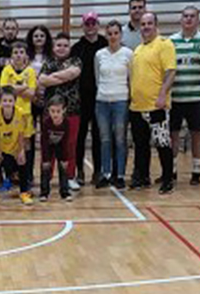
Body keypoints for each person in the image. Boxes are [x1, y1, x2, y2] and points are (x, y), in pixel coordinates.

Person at [129, 13, 176, 194]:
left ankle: (167, 179)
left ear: (156, 25)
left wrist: (163, 94)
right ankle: (143, 177)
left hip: (156, 106)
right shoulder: (138, 49)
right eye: (143, 24)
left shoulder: (164, 44)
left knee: (162, 143)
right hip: (137, 107)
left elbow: (171, 72)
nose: (146, 27)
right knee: (141, 146)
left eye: (149, 23)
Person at [169, 6, 200, 186]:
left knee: (196, 134)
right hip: (175, 97)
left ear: (198, 19)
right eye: (185, 16)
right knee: (173, 134)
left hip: (196, 98)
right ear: (180, 19)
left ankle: (196, 171)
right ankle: (172, 170)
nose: (188, 19)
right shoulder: (171, 42)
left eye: (192, 16)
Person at [38, 32, 82, 189]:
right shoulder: (48, 61)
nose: (62, 48)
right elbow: (42, 80)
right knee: (48, 146)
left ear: (69, 47)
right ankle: (47, 177)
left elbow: (73, 73)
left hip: (71, 110)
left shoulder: (75, 60)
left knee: (70, 145)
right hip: (50, 112)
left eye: (65, 45)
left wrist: (52, 77)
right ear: (53, 47)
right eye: (59, 45)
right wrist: (63, 77)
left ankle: (69, 177)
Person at [70, 11, 108, 187]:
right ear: (83, 26)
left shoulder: (105, 44)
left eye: (93, 23)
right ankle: (80, 171)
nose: (90, 27)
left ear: (98, 25)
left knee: (99, 136)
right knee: (80, 136)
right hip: (81, 98)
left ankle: (98, 171)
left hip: (101, 97)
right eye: (87, 24)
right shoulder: (77, 48)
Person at [94, 20, 132, 189]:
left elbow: (131, 78)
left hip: (121, 101)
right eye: (109, 34)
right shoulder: (99, 54)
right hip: (102, 101)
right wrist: (103, 92)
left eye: (116, 33)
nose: (113, 36)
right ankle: (106, 173)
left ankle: (120, 174)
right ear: (106, 35)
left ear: (121, 35)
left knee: (120, 139)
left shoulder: (128, 54)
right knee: (105, 139)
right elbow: (97, 78)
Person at [0, 86, 34, 206]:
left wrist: (20, 150)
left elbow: (21, 134)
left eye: (10, 101)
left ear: (15, 101)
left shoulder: (20, 113)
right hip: (0, 145)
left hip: (15, 145)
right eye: (4, 100)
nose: (7, 103)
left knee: (22, 160)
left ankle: (24, 192)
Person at [0, 41, 37, 185]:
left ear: (26, 55)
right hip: (9, 113)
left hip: (25, 114)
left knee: (26, 145)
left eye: (21, 52)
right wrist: (23, 87)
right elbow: (5, 91)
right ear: (11, 56)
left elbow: (31, 94)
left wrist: (14, 88)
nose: (18, 55)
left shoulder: (30, 71)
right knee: (10, 144)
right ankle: (11, 175)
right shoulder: (6, 70)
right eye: (15, 52)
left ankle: (27, 175)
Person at [39, 95, 72, 201]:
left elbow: (66, 141)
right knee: (45, 168)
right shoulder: (46, 122)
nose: (55, 114)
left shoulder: (66, 123)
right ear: (48, 110)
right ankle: (44, 192)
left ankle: (65, 192)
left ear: (64, 110)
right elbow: (44, 141)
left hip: (60, 145)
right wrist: (45, 158)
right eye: (52, 111)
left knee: (63, 167)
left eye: (58, 111)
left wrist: (65, 158)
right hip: (48, 145)